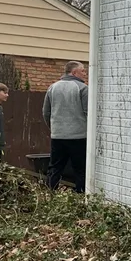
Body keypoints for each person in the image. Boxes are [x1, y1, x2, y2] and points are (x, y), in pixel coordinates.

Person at [42, 60, 88, 193]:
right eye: (82, 71)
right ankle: (80, 196)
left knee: (55, 167)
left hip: (58, 136)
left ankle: (49, 194)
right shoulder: (83, 88)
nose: (85, 73)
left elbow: (46, 112)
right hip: (78, 136)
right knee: (80, 169)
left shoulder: (53, 87)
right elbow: (88, 112)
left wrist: (54, 128)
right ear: (74, 72)